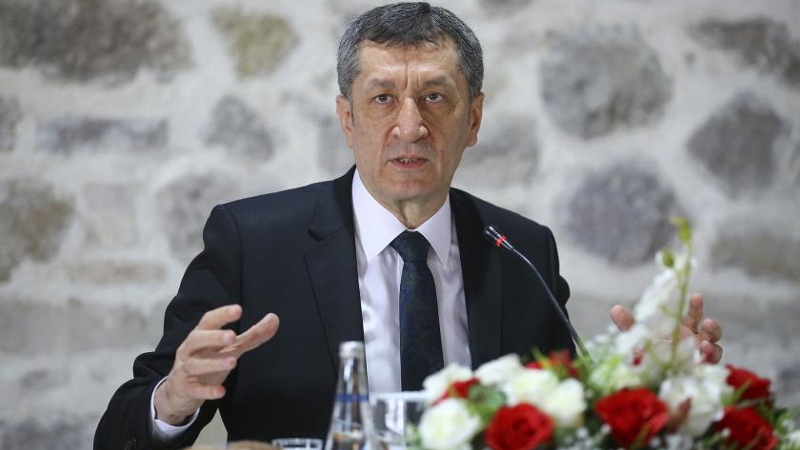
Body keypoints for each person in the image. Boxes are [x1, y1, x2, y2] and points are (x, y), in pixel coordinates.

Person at [93, 3, 723, 449]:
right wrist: (174, 399)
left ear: (474, 120)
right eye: (382, 98)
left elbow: (576, 424)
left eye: (436, 97)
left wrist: (654, 380)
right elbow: (119, 431)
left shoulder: (522, 250)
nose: (411, 126)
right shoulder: (251, 242)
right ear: (347, 119)